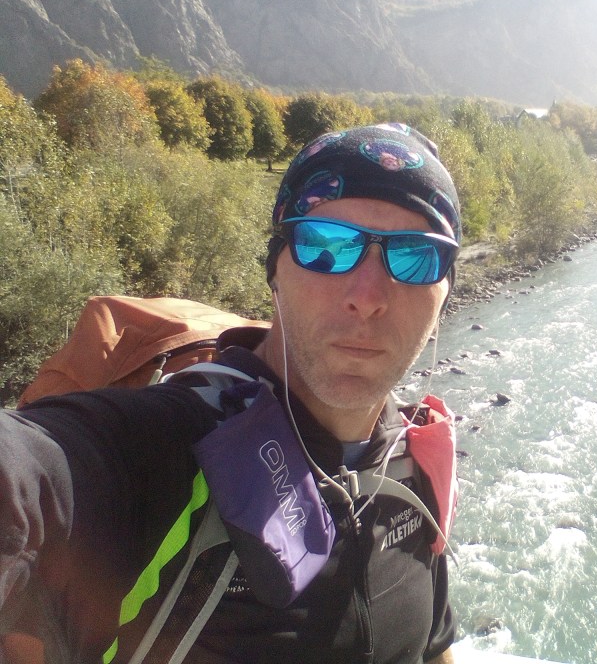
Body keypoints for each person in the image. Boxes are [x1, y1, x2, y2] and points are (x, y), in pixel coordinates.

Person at [0, 123, 462, 663]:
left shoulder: (410, 464)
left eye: (414, 256)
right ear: (275, 269)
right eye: (326, 246)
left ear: (444, 290)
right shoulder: (163, 447)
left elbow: (433, 649)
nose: (367, 296)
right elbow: (29, 469)